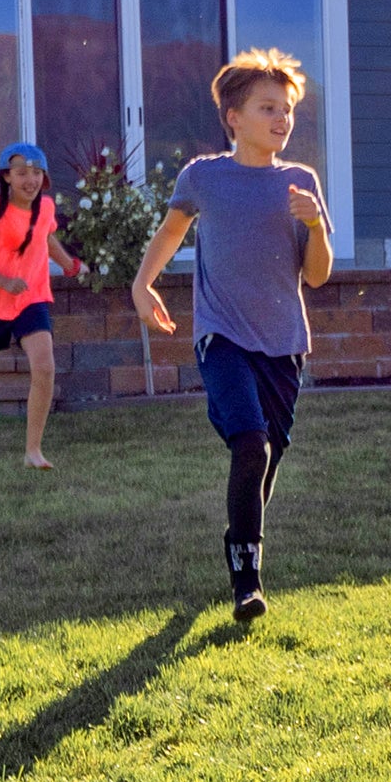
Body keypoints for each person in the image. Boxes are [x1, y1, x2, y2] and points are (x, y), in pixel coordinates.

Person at [132, 50, 334, 622]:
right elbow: (171, 232)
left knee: (264, 464)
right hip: (221, 337)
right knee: (250, 444)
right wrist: (143, 285)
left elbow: (316, 275)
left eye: (288, 110)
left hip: (284, 344)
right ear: (234, 116)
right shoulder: (203, 177)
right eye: (268, 108)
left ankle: (238, 535)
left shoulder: (300, 183)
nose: (282, 120)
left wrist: (315, 224)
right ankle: (247, 580)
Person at [0, 141, 69, 474]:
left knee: (45, 366)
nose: (30, 180)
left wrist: (69, 262)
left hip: (31, 299)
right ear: (6, 176)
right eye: (22, 173)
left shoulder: (45, 208)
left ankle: (33, 450)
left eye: (36, 173)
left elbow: (45, 237)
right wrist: (4, 283)